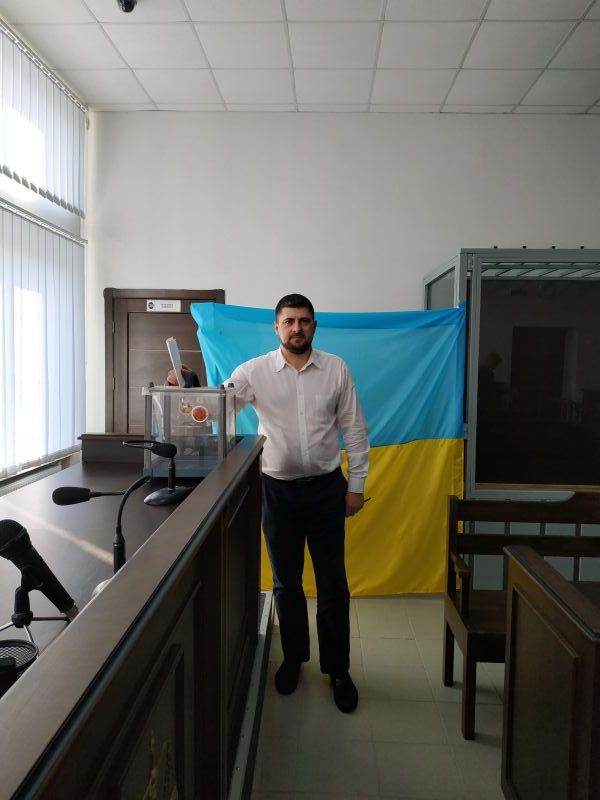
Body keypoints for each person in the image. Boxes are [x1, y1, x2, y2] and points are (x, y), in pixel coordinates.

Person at [168, 294, 369, 713]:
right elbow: (215, 408)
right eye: (289, 321)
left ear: (314, 326)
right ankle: (294, 658)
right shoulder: (254, 372)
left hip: (327, 491)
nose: (297, 328)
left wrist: (356, 485)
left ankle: (337, 668)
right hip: (277, 492)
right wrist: (187, 385)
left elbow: (354, 429)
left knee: (333, 584)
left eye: (304, 321)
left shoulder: (336, 369)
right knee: (286, 583)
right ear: (276, 327)